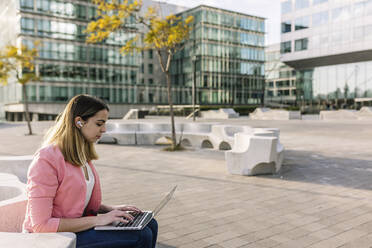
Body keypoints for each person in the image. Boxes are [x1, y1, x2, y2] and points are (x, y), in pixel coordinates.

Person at [22, 94, 158, 248]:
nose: (104, 129)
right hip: (51, 238)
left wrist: (110, 209)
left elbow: (75, 198)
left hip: (75, 228)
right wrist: (99, 219)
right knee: (140, 236)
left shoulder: (81, 155)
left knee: (150, 223)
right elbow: (41, 225)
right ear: (79, 122)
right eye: (99, 123)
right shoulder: (46, 159)